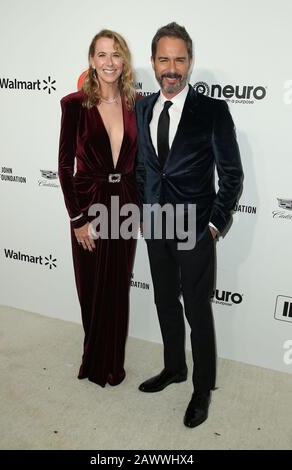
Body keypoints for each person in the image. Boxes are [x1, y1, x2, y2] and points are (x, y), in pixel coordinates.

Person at [135, 22, 243, 427]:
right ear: (153, 62)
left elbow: (232, 175)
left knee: (197, 310)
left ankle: (201, 389)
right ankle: (173, 368)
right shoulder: (142, 107)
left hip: (195, 227)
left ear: (190, 62)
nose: (172, 67)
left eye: (180, 59)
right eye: (164, 59)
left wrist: (214, 225)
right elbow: (143, 167)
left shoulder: (212, 110)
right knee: (165, 301)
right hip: (156, 225)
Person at [58, 29, 138, 387]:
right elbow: (63, 167)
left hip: (124, 208)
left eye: (116, 55)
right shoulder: (74, 104)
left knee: (118, 288)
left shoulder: (135, 105)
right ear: (92, 60)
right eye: (102, 55)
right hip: (89, 205)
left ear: (124, 62)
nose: (109, 62)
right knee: (91, 287)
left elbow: (142, 162)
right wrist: (77, 219)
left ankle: (113, 363)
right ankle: (93, 358)